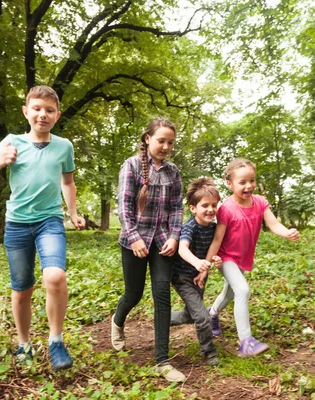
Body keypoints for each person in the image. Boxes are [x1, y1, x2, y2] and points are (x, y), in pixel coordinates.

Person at [0, 85, 85, 371]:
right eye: (37, 108)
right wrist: (0, 160)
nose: (42, 114)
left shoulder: (64, 146)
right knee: (22, 289)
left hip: (50, 221)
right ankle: (23, 343)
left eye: (49, 110)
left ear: (57, 115)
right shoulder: (12, 142)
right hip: (17, 223)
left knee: (55, 277)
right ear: (26, 111)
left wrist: (72, 213)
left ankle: (56, 340)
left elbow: (67, 182)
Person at [110, 118, 185, 382]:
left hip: (163, 241)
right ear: (147, 139)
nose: (165, 146)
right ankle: (118, 321)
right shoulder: (131, 166)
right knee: (134, 293)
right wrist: (134, 238)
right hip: (135, 241)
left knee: (162, 294)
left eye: (170, 142)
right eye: (161, 140)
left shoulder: (173, 171)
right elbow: (124, 206)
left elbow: (177, 208)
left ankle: (162, 361)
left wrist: (175, 237)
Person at [204, 158, 299, 356]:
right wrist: (206, 262)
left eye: (252, 180)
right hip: (226, 257)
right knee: (242, 290)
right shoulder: (226, 209)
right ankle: (245, 342)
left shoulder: (260, 203)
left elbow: (273, 224)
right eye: (242, 182)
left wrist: (286, 232)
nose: (249, 186)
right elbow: (217, 239)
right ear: (230, 184)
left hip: (243, 258)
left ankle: (211, 313)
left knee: (230, 293)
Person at [170, 177, 223, 366]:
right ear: (193, 208)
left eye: (214, 205)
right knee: (202, 316)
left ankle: (163, 318)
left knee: (190, 314)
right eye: (205, 205)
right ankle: (210, 353)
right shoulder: (189, 226)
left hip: (199, 276)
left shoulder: (214, 228)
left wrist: (214, 260)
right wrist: (197, 262)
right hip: (182, 277)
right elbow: (182, 248)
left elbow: (215, 249)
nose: (210, 209)